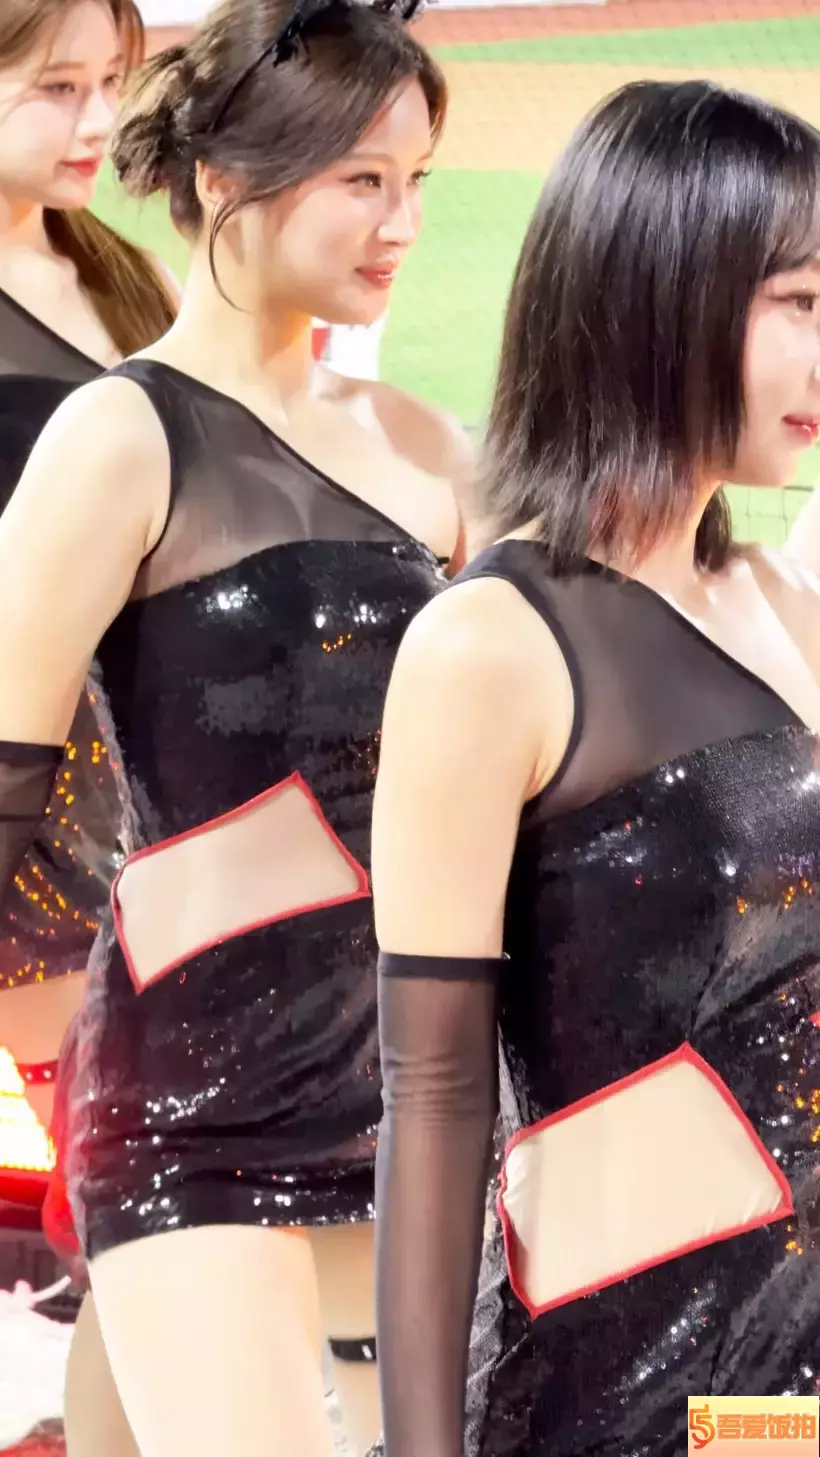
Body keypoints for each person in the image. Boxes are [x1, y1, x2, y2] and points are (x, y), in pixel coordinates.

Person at [0, 0, 469, 1451]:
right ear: (225, 181)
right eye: (361, 179)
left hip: (402, 1093)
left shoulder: (427, 445)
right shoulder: (122, 435)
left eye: (416, 181)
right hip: (188, 1102)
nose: (400, 224)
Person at [370, 79, 820, 1457]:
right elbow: (434, 1099)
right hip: (619, 1402)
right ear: (664, 291)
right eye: (799, 304)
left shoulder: (784, 605)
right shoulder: (490, 649)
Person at [0, 2, 176, 1454]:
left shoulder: (121, 280)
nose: (99, 121)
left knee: (135, 1176)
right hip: (25, 795)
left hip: (130, 796)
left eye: (113, 82)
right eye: (58, 86)